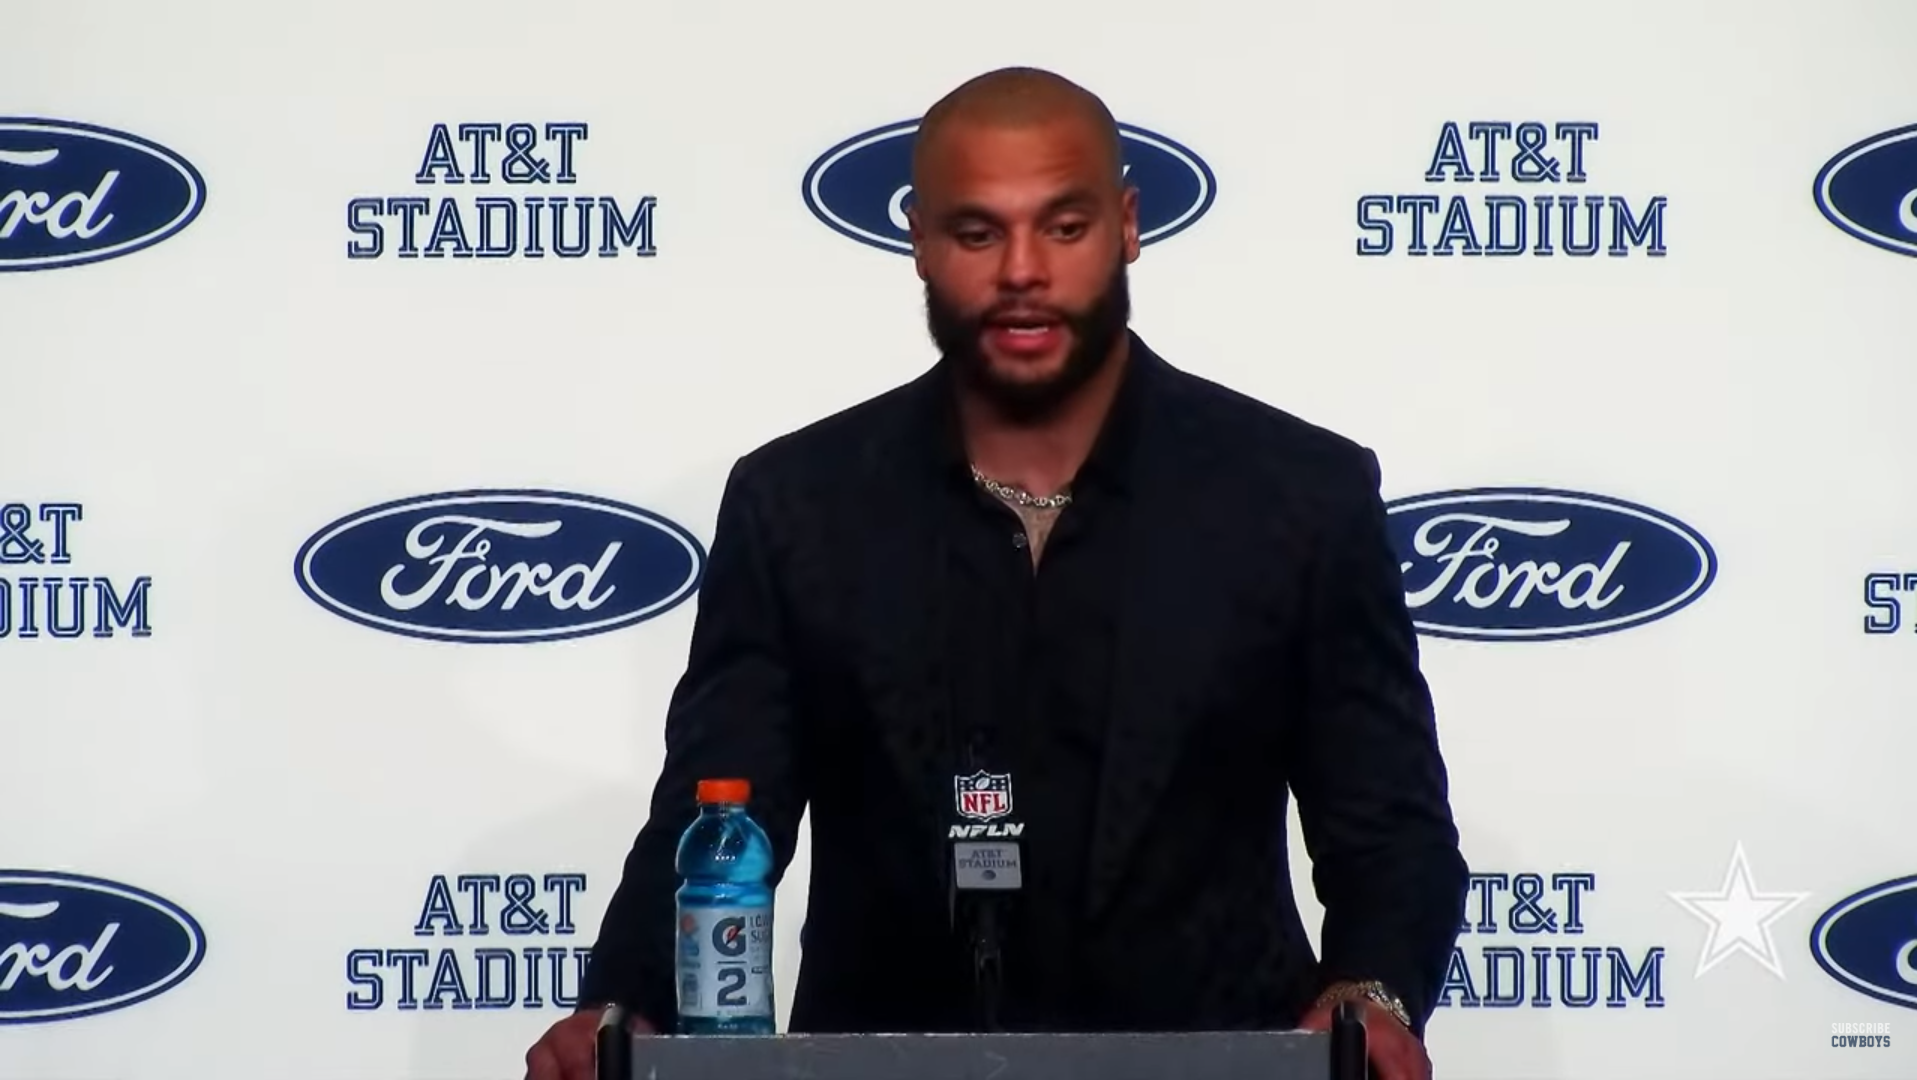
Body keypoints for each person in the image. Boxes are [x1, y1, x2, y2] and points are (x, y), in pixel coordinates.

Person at [526, 66, 1468, 1080]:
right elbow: (717, 814)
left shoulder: (1298, 497)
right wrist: (621, 1008)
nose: (1023, 271)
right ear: (918, 242)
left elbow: (1389, 830)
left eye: (1064, 228)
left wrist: (1370, 993)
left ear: (1127, 227)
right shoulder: (798, 504)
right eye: (978, 233)